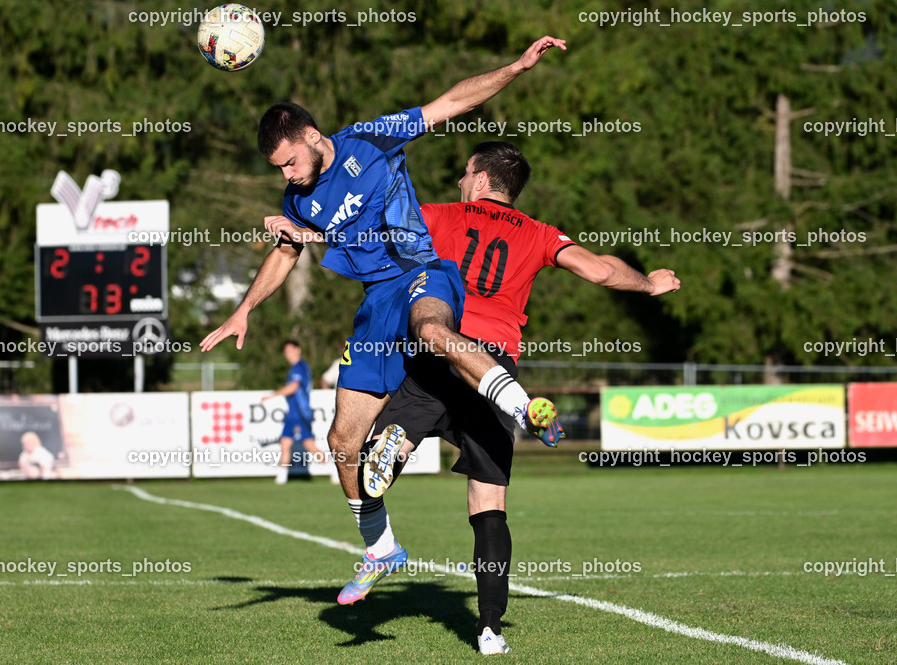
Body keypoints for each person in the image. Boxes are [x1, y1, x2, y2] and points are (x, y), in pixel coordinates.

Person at [200, 37, 568, 607]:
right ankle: (381, 550)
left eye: (291, 162)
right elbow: (285, 251)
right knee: (343, 443)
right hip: (376, 305)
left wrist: (516, 69)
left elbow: (451, 103)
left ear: (315, 139)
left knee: (433, 333)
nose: (290, 176)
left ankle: (523, 407)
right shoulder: (299, 201)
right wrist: (243, 310)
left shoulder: (370, 139)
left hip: (423, 274)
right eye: (279, 170)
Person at [361, 142, 681, 654]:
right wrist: (647, 283)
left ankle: (391, 452)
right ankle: (489, 629)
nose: (461, 182)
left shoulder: (439, 215)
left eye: (466, 174)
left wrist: (302, 227)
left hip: (443, 351)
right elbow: (599, 270)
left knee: (373, 455)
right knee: (488, 503)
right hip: (496, 366)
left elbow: (364, 226)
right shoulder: (539, 233)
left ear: (483, 180)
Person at [261, 340, 335, 484]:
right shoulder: (297, 367)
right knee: (285, 443)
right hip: (293, 412)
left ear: (298, 350)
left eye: (290, 350)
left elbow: (293, 388)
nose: (288, 354)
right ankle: (281, 477)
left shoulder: (299, 367)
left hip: (300, 412)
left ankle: (334, 470)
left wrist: (272, 395)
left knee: (308, 444)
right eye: (286, 351)